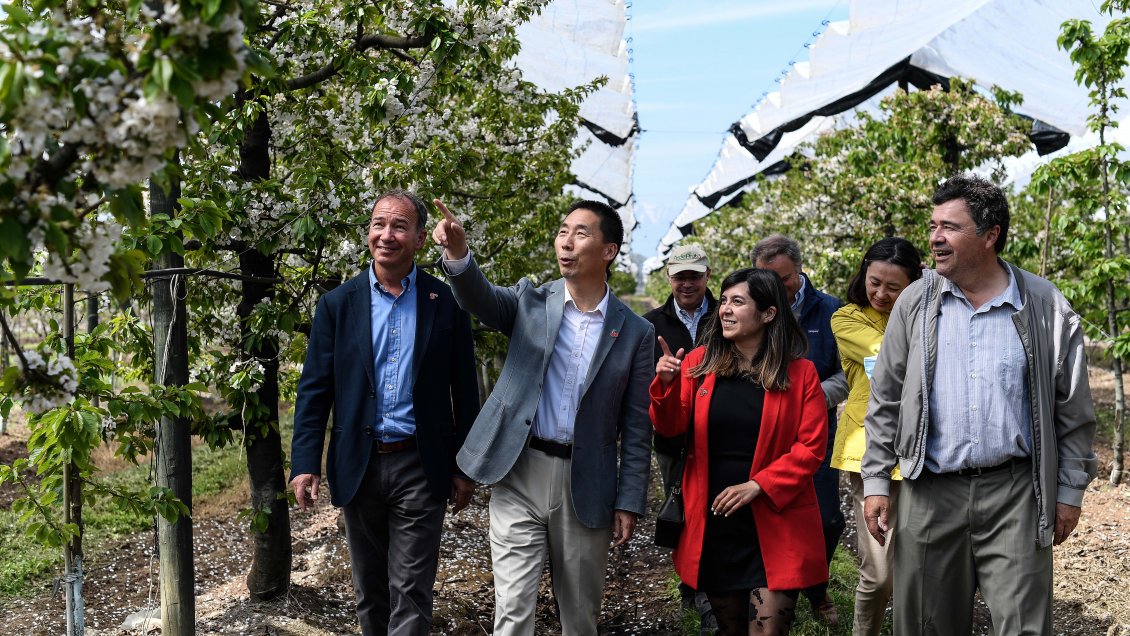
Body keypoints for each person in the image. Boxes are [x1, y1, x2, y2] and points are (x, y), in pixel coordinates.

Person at [862, 173, 1099, 635]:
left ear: (990, 235)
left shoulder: (1044, 305)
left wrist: (1070, 492)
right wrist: (876, 480)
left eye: (949, 227)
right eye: (933, 226)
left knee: (1024, 625)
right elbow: (886, 397)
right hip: (929, 491)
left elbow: (1073, 409)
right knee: (925, 624)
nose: (935, 238)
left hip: (1015, 494)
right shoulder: (916, 302)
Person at [432, 198, 654, 635]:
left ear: (609, 251)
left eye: (580, 233)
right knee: (513, 610)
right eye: (562, 231)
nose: (566, 242)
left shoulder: (635, 332)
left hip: (585, 481)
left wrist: (629, 500)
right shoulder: (531, 301)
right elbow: (481, 299)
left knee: (579, 617)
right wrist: (458, 254)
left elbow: (636, 426)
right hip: (520, 470)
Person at [289, 190, 480, 635]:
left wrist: (464, 466)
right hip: (360, 462)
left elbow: (464, 390)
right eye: (378, 224)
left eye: (399, 226)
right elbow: (314, 390)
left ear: (420, 239)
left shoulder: (446, 302)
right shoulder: (338, 304)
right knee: (370, 591)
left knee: (411, 590)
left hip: (421, 463)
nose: (386, 235)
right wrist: (305, 462)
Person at [651, 267, 828, 636]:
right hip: (717, 519)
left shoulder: (801, 374)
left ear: (768, 313)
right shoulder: (699, 364)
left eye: (738, 302)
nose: (725, 310)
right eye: (724, 301)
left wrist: (759, 485)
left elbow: (811, 448)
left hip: (777, 518)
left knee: (768, 630)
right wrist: (666, 386)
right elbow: (671, 428)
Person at [750, 234, 847, 624]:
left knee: (825, 519)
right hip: (762, 433)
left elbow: (847, 374)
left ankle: (817, 589)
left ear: (800, 271)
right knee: (766, 513)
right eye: (766, 280)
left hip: (814, 433)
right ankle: (773, 594)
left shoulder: (831, 311)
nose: (776, 288)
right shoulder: (751, 308)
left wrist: (810, 397)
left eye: (784, 279)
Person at [828, 237, 922, 636]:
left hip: (925, 448)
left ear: (914, 284)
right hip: (872, 453)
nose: (881, 294)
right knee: (880, 573)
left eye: (893, 287)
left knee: (921, 567)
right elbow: (892, 355)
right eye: (874, 282)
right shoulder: (847, 319)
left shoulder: (927, 313)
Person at [642, 243, 718, 621]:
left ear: (707, 276)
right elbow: (640, 380)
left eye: (694, 276)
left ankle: (707, 585)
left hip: (716, 431)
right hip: (673, 435)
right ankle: (689, 580)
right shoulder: (651, 323)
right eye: (680, 277)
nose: (687, 284)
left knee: (712, 507)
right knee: (681, 505)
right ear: (669, 278)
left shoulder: (726, 314)